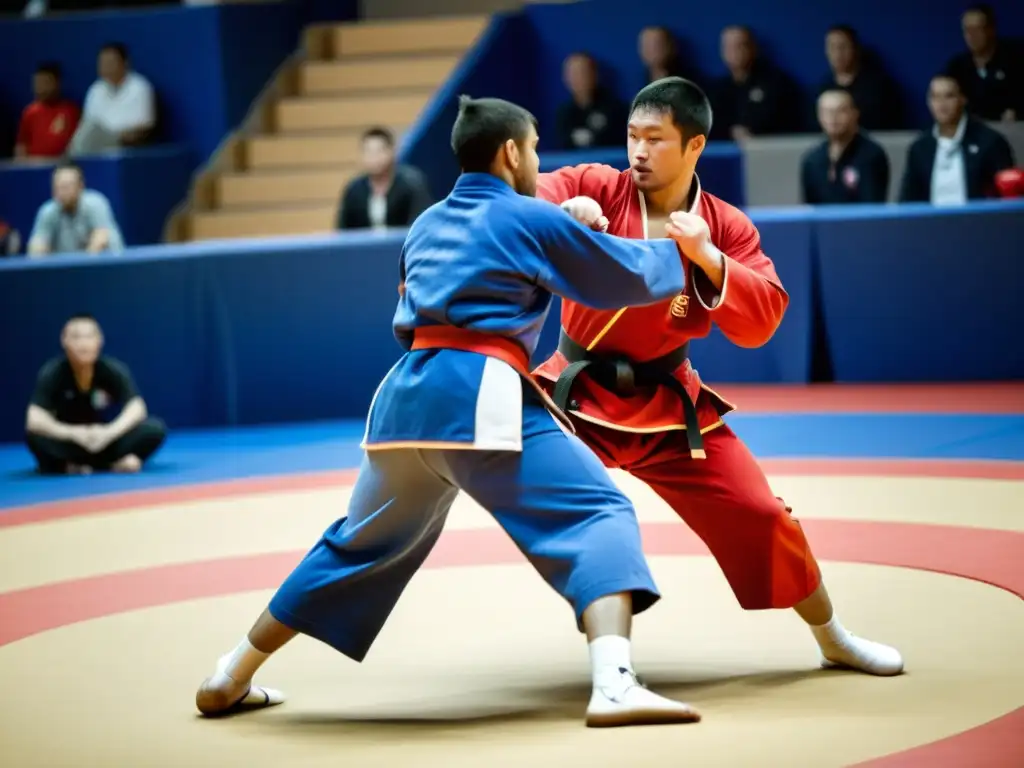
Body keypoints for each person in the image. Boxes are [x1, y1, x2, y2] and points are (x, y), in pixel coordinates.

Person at [195, 95, 704, 728]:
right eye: (536, 149)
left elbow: (406, 319)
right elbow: (621, 277)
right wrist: (687, 249)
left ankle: (229, 674)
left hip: (402, 403)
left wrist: (566, 228)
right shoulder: (526, 216)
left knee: (353, 546)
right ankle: (615, 684)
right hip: (478, 391)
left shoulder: (427, 222)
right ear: (512, 152)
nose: (539, 161)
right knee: (597, 511)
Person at [534, 77, 904, 679]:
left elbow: (763, 320)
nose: (638, 152)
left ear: (696, 145)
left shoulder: (725, 226)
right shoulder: (594, 185)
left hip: (666, 404)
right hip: (572, 397)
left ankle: (833, 635)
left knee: (763, 516)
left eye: (656, 139)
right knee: (495, 473)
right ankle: (613, 668)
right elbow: (522, 194)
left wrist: (709, 258)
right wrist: (559, 213)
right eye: (632, 136)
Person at [25, 313, 166, 475]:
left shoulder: (112, 370)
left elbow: (137, 407)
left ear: (100, 340)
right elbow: (34, 419)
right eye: (76, 337)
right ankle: (100, 465)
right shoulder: (52, 372)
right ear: (64, 341)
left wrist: (109, 433)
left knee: (155, 429)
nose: (83, 344)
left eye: (90, 336)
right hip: (71, 443)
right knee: (34, 438)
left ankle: (91, 465)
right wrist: (74, 434)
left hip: (105, 440)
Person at [899, 75, 1015, 205]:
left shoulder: (991, 142)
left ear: (963, 99)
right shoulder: (920, 148)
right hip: (932, 223)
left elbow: (1007, 197)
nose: (941, 103)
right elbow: (907, 200)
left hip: (979, 222)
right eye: (935, 97)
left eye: (949, 96)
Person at [801, 88, 890, 205]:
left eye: (840, 111)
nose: (833, 118)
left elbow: (872, 206)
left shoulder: (871, 155)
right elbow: (810, 208)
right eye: (826, 112)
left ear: (855, 113)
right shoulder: (812, 160)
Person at [335, 127, 433, 230]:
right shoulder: (354, 190)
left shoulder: (412, 184)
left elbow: (422, 225)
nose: (374, 157)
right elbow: (343, 230)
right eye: (368, 151)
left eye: (379, 151)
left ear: (391, 151)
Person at [27, 161, 125, 256]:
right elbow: (36, 247)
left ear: (80, 186)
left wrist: (83, 266)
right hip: (66, 270)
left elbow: (101, 237)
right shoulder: (47, 211)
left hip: (100, 268)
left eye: (67, 187)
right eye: (58, 187)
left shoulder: (95, 204)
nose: (62, 192)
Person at [14, 62, 80, 159]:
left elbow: (76, 144)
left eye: (45, 83)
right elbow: (21, 145)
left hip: (60, 166)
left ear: (57, 83)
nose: (40, 88)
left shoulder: (70, 111)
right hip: (33, 166)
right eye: (37, 83)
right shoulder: (29, 112)